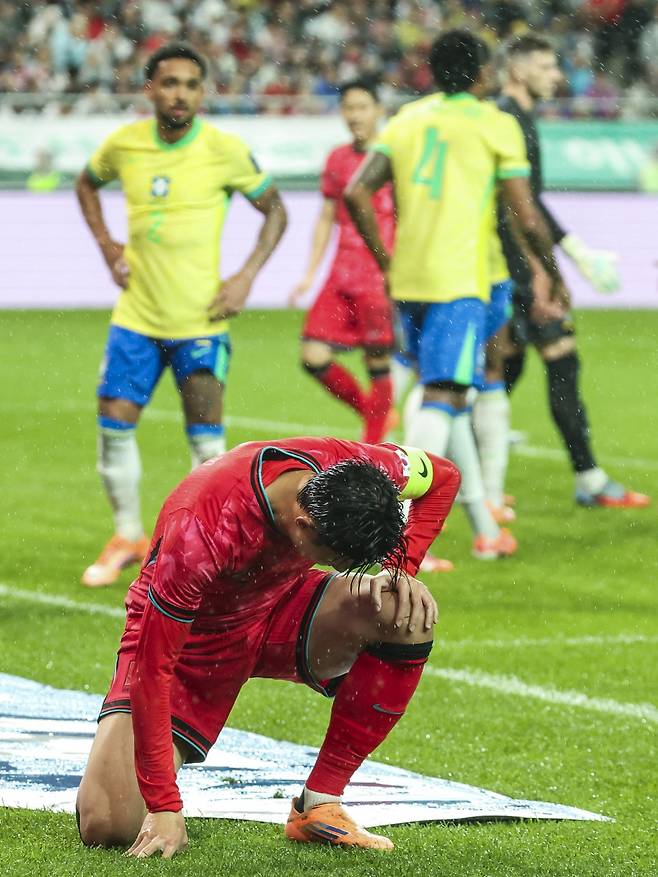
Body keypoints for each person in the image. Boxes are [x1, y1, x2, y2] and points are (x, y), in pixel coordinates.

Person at [76, 436, 461, 856]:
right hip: (192, 645)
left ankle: (319, 805)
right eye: (337, 560)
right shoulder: (201, 526)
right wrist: (164, 805)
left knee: (404, 611)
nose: (341, 570)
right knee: (108, 825)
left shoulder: (355, 468)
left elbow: (444, 477)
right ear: (304, 525)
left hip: (281, 605)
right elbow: (154, 668)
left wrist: (399, 571)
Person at [345, 30, 564, 559]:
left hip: (412, 278)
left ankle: (485, 528)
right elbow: (525, 211)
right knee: (442, 396)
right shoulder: (495, 123)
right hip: (460, 281)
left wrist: (386, 259)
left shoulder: (407, 120)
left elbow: (357, 191)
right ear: (484, 73)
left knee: (452, 394)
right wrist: (552, 271)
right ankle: (389, 535)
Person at [75, 43, 288, 587]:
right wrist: (105, 246)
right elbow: (85, 183)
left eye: (192, 85)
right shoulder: (124, 145)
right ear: (150, 88)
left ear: (202, 92)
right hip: (137, 317)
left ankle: (199, 547)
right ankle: (127, 534)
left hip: (200, 319)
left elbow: (275, 211)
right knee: (114, 424)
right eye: (170, 83)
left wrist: (245, 277)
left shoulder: (224, 149)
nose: (180, 94)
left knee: (207, 444)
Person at [498, 35, 649, 508]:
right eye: (546, 66)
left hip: (510, 261)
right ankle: (585, 479)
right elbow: (519, 206)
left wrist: (571, 249)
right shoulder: (509, 121)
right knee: (554, 359)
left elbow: (530, 201)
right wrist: (546, 269)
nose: (557, 76)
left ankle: (474, 478)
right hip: (516, 264)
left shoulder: (515, 118)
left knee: (505, 366)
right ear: (518, 71)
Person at [289, 80, 396, 443]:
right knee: (312, 356)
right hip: (341, 272)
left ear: (379, 110)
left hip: (379, 274)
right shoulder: (338, 159)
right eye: (349, 108)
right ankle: (376, 415)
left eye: (363, 106)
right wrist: (308, 273)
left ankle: (373, 446)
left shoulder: (394, 156)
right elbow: (325, 217)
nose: (355, 116)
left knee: (377, 363)